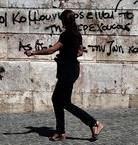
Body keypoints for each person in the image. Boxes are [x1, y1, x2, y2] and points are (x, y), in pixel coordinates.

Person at [25, 9, 103, 142]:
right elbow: (80, 51)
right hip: (71, 69)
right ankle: (60, 131)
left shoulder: (66, 35)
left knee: (65, 102)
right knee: (56, 99)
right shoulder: (77, 34)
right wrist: (70, 54)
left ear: (63, 21)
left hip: (68, 71)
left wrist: (33, 52)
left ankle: (93, 123)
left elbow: (52, 50)